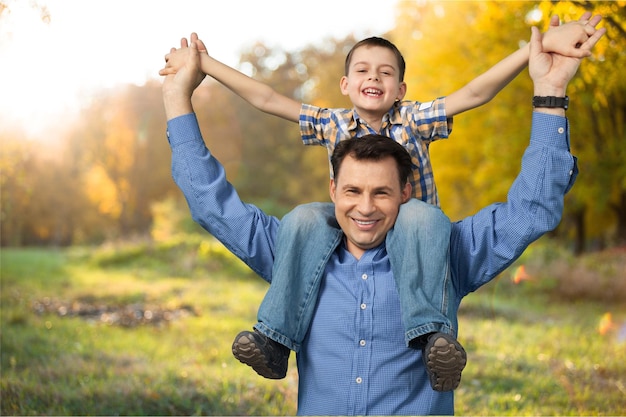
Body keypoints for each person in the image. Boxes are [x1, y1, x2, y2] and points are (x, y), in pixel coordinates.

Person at [162, 20, 604, 413]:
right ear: (333, 189)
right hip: (314, 240)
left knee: (424, 222)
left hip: (426, 238)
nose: (367, 207)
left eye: (383, 193)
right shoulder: (298, 249)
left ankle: (432, 334)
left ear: (405, 191)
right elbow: (212, 199)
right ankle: (274, 338)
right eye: (352, 190)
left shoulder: (445, 253)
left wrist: (547, 84)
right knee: (304, 218)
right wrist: (182, 91)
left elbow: (531, 204)